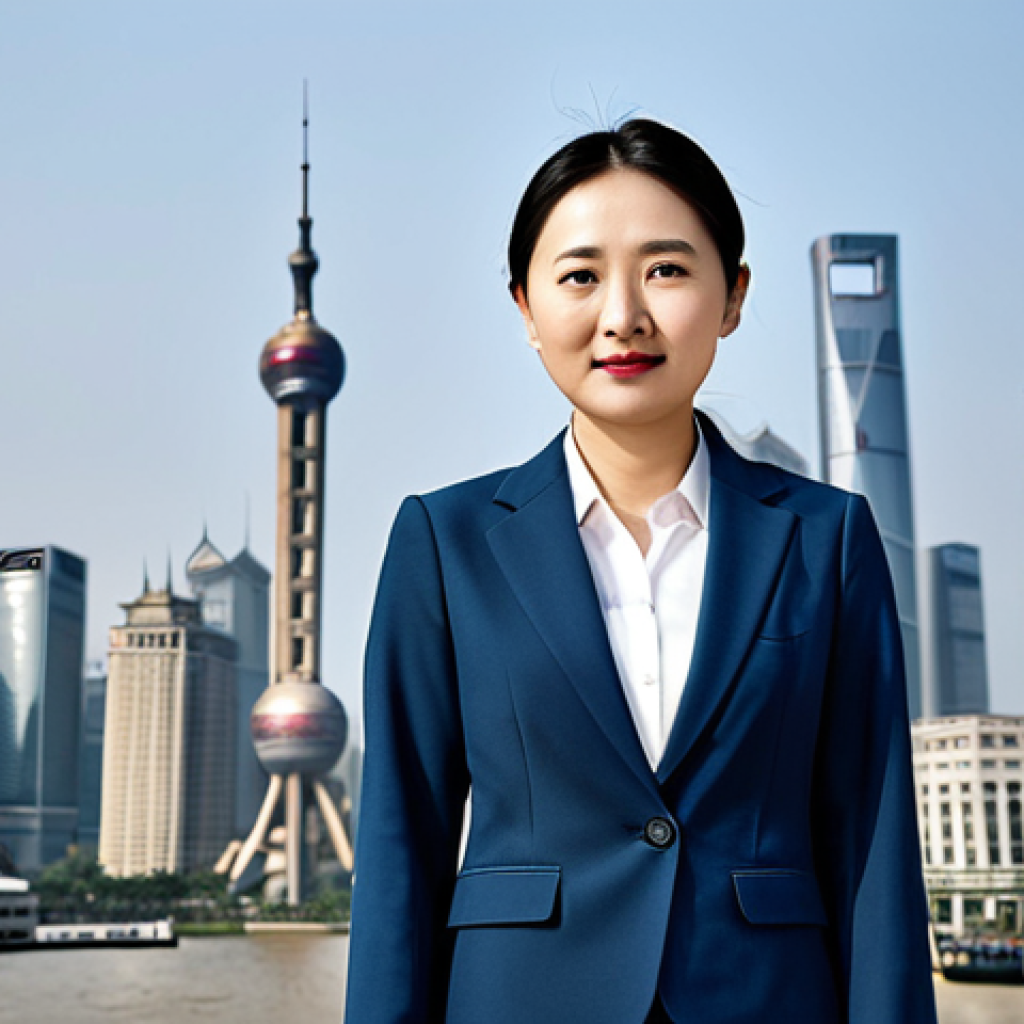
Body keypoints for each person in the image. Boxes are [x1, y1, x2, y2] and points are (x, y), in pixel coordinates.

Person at [343, 118, 937, 1024]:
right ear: (526, 310)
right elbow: (400, 848)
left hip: (768, 999)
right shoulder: (444, 541)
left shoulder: (829, 539)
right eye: (580, 276)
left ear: (733, 297)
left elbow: (873, 844)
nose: (623, 314)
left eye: (666, 269)